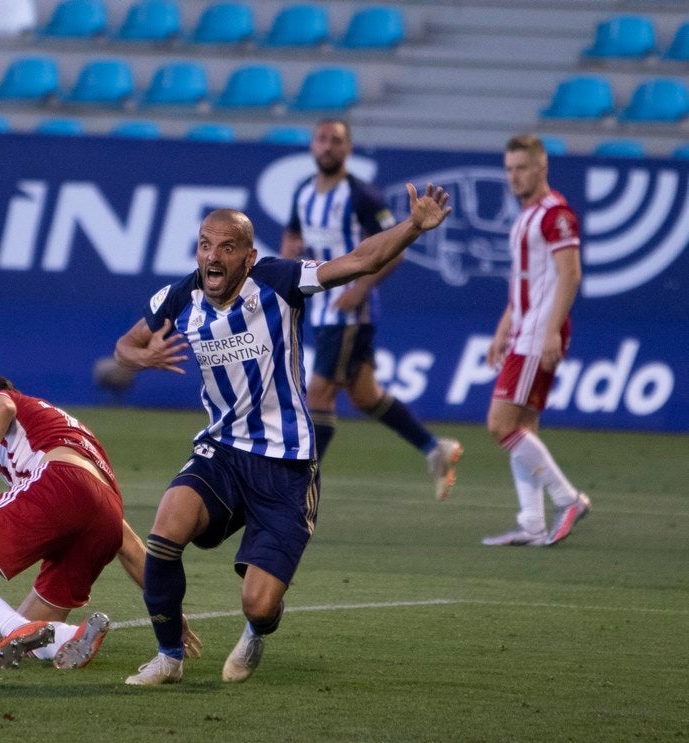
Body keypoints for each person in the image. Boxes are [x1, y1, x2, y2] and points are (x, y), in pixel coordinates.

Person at [113, 186, 451, 686]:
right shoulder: (178, 296)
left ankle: (256, 631)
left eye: (227, 247)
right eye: (206, 244)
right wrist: (142, 358)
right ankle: (168, 656)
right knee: (165, 533)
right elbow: (125, 345)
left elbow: (359, 261)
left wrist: (413, 226)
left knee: (260, 603)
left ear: (248, 257)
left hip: (286, 463)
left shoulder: (279, 280)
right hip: (222, 451)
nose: (213, 255)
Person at [0, 375, 201, 670]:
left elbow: (0, 407)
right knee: (32, 641)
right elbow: (128, 546)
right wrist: (168, 611)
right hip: (105, 518)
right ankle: (68, 637)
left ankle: (14, 625)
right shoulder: (57, 430)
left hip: (58, 484)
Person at [281, 118, 461, 501]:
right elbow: (293, 236)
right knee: (364, 395)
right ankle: (435, 449)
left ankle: (297, 487)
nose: (328, 146)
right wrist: (290, 257)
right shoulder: (303, 194)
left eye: (336, 140)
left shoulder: (363, 195)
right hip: (323, 306)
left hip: (349, 311)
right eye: (322, 139)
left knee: (319, 394)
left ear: (348, 149)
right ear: (313, 146)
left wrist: (361, 288)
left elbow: (394, 246)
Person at [482, 135, 590, 547]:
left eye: (521, 168)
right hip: (524, 331)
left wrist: (549, 330)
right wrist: (502, 328)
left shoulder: (555, 215)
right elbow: (525, 283)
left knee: (501, 424)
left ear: (542, 168)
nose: (514, 176)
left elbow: (570, 274)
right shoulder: (527, 216)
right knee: (524, 427)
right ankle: (532, 523)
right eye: (509, 169)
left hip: (539, 334)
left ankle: (568, 499)